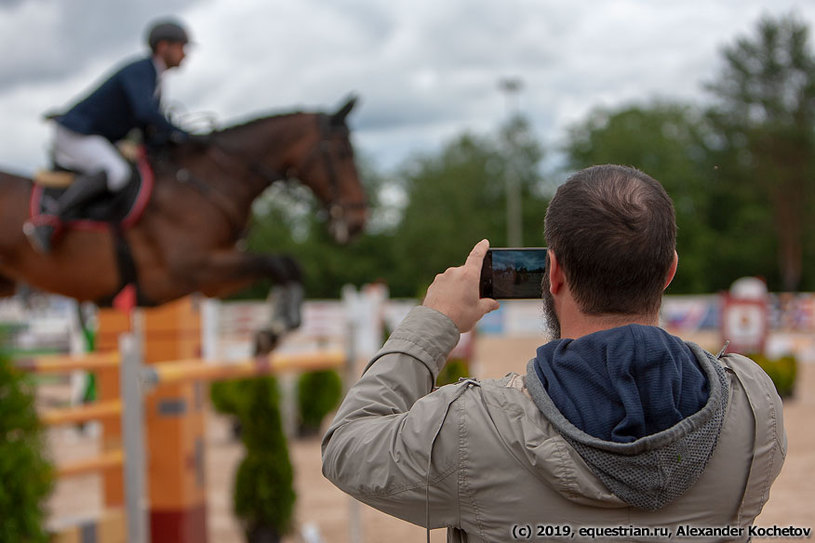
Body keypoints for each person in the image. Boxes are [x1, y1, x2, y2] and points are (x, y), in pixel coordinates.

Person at [322, 164, 787, 542]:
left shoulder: (472, 428)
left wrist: (435, 322)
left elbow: (347, 446)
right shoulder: (753, 404)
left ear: (554, 274)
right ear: (669, 272)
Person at [28, 18, 195, 253]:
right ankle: (49, 221)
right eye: (182, 47)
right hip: (77, 134)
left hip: (97, 136)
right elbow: (145, 113)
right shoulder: (141, 70)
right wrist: (181, 134)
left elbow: (145, 128)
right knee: (117, 173)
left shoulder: (154, 77)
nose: (185, 55)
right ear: (163, 46)